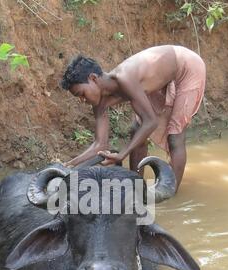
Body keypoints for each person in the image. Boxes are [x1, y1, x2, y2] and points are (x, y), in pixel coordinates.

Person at [61, 45, 206, 190]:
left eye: (81, 94)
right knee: (137, 130)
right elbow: (100, 145)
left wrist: (123, 153)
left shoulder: (125, 78)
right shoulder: (99, 102)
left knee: (175, 136)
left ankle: (170, 193)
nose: (81, 100)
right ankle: (135, 186)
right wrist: (70, 165)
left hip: (188, 66)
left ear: (93, 78)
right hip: (163, 74)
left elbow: (151, 122)